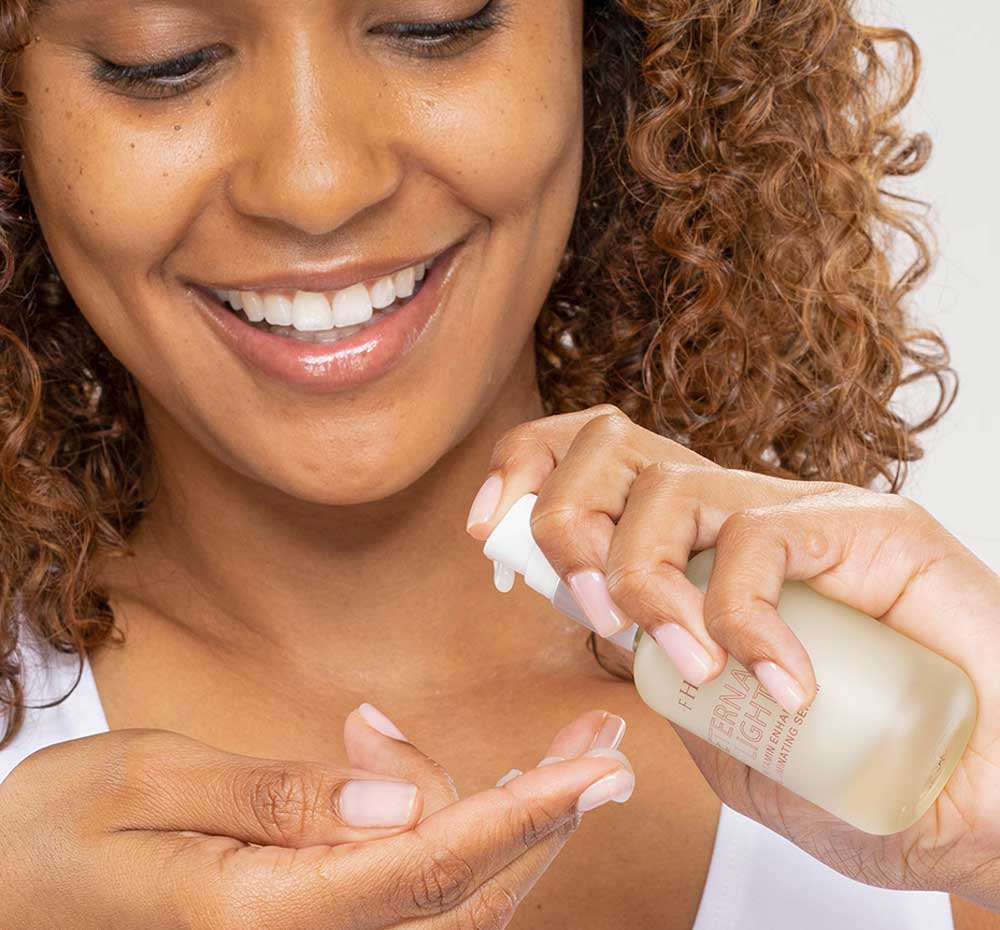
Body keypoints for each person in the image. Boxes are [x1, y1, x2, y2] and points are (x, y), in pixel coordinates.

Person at [0, 0, 998, 927]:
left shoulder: (910, 752)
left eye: (434, 22)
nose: (316, 184)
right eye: (161, 60)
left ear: (603, 49)